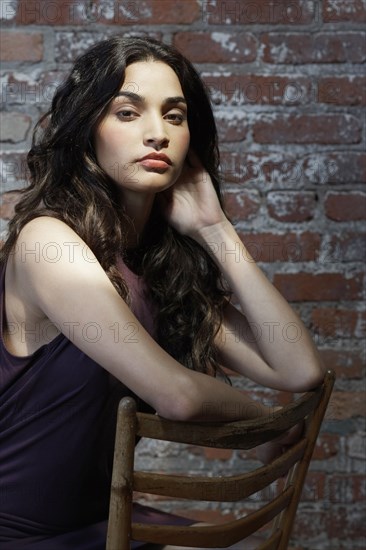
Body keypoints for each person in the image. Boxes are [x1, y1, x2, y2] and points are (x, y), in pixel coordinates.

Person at [0, 36, 324, 549]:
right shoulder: (49, 244)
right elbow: (177, 395)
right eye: (128, 113)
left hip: (103, 524)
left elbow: (298, 369)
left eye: (175, 116)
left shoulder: (157, 267)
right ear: (88, 130)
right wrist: (261, 423)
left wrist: (216, 229)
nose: (157, 133)